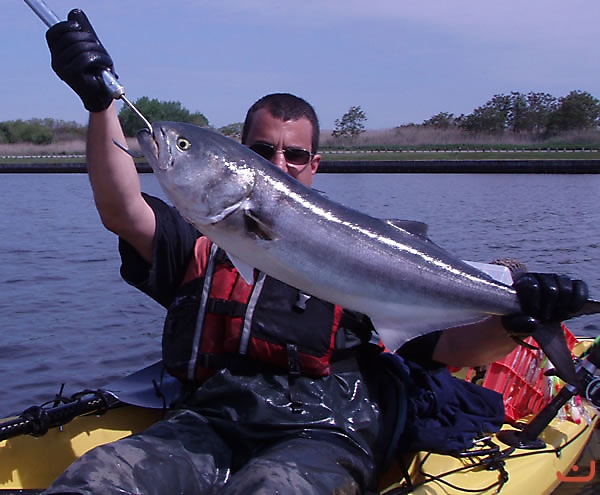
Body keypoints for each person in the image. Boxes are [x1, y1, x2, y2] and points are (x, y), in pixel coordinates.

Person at [43, 10, 589, 495]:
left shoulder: (357, 250)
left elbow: (449, 348)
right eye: (262, 151)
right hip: (206, 421)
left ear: (314, 165)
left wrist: (519, 318)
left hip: (324, 431)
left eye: (295, 153)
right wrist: (99, 106)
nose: (280, 163)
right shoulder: (201, 239)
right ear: (242, 155)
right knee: (94, 481)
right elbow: (122, 209)